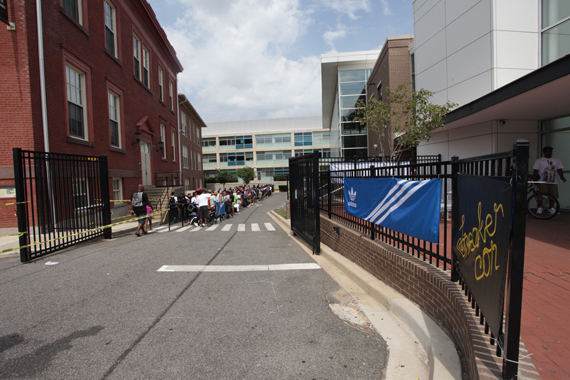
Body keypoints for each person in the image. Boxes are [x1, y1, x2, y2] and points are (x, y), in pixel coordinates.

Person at [531, 146, 566, 214]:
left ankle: (551, 208)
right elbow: (535, 170)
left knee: (553, 194)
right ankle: (540, 207)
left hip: (553, 180)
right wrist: (535, 179)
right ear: (544, 152)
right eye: (547, 151)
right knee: (541, 193)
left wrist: (562, 177)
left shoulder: (556, 160)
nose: (549, 152)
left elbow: (559, 169)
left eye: (550, 151)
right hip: (542, 180)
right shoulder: (539, 160)